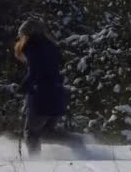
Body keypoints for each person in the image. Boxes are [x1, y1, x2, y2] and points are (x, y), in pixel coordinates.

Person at [14, 18, 84, 155]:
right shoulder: (51, 46)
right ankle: (75, 141)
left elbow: (35, 71)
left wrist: (24, 87)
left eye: (22, 35)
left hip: (41, 95)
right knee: (47, 132)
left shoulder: (32, 46)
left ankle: (35, 162)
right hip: (57, 94)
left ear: (27, 34)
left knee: (31, 132)